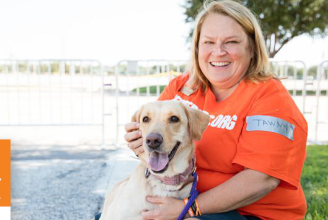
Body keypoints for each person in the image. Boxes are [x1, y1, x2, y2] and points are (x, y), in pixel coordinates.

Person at [124, 0, 308, 220]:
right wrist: (139, 142)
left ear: (252, 48)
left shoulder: (270, 98)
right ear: (197, 48)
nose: (218, 52)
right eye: (209, 42)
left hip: (248, 213)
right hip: (183, 198)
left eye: (230, 42)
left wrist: (187, 208)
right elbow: (155, 140)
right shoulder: (181, 88)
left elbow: (261, 179)